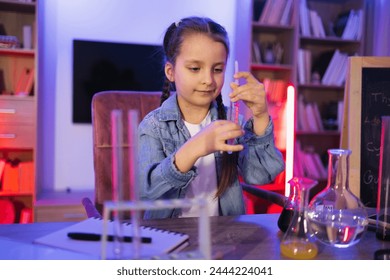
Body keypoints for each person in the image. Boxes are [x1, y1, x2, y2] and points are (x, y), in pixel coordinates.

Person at [138, 16, 285, 219]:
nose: (208, 80)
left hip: (223, 236)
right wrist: (195, 147)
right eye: (195, 69)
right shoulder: (153, 126)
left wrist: (260, 116)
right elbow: (146, 193)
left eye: (217, 69)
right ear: (171, 72)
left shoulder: (231, 123)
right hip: (170, 239)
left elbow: (261, 174)